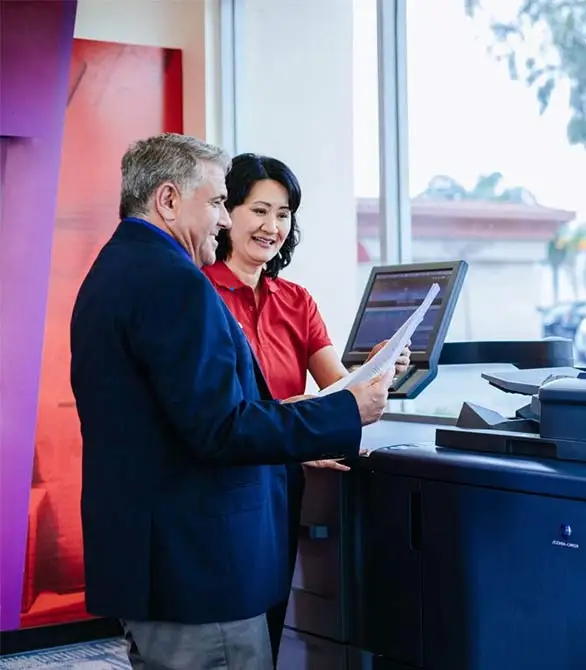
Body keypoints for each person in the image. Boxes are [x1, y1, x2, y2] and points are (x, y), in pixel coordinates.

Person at [70, 133, 392, 670]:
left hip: (155, 558)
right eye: (220, 202)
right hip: (199, 567)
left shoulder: (115, 269)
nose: (224, 221)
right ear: (168, 200)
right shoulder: (178, 284)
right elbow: (221, 428)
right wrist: (346, 412)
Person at [201, 152, 410, 660]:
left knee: (267, 623)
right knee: (224, 625)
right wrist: (298, 413)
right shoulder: (198, 292)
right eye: (259, 210)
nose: (272, 226)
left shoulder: (296, 300)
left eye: (284, 213)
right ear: (227, 212)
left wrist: (381, 370)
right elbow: (215, 412)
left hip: (285, 485)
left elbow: (338, 387)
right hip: (224, 483)